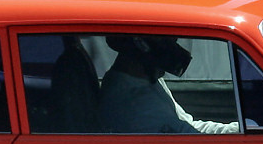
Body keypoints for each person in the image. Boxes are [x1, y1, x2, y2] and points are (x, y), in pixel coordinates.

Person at [98, 36, 238, 134]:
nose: (174, 49)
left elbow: (186, 125)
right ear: (143, 47)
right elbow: (191, 141)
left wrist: (237, 130)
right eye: (169, 42)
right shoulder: (133, 104)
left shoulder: (147, 81)